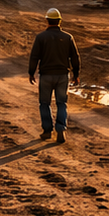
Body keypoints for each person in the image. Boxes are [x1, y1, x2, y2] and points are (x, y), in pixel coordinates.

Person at [27, 8, 81, 143]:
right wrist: (76, 74)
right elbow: (75, 57)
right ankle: (61, 128)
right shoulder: (68, 37)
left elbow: (34, 57)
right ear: (59, 21)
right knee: (61, 103)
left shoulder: (40, 38)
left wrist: (31, 72)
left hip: (46, 76)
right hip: (63, 75)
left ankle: (47, 131)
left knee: (44, 103)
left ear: (47, 20)